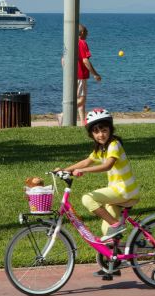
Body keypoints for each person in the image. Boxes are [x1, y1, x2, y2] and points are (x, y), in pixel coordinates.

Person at [58, 108, 140, 275]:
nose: (101, 134)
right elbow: (87, 161)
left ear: (110, 129)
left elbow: (107, 165)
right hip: (118, 192)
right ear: (91, 134)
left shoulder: (114, 145)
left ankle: (116, 226)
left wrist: (85, 172)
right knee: (106, 231)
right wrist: (64, 170)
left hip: (125, 191)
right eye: (96, 131)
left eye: (104, 130)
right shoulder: (100, 149)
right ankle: (113, 263)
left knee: (88, 199)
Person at [73, 24, 102, 120]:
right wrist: (95, 74)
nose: (87, 35)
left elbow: (63, 60)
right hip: (81, 75)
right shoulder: (82, 43)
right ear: (82, 33)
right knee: (82, 99)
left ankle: (82, 123)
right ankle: (64, 114)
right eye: (86, 33)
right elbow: (85, 61)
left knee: (79, 99)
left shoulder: (71, 42)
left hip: (72, 75)